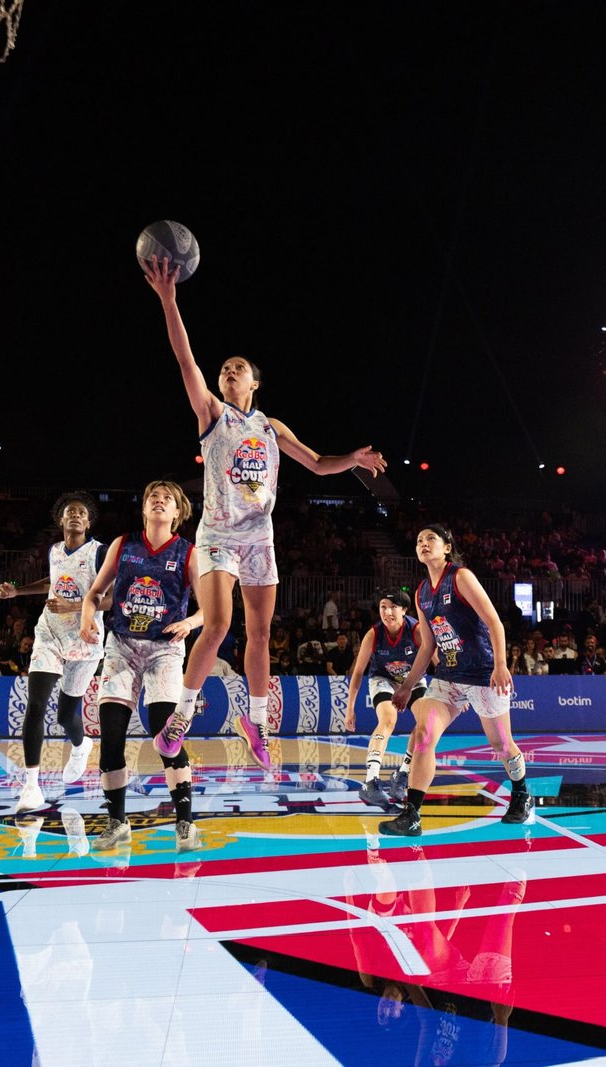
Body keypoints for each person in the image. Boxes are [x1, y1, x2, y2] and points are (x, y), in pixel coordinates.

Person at [142, 255, 387, 773]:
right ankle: (181, 718)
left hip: (260, 538)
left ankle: (255, 721)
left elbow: (319, 464)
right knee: (216, 624)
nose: (228, 371)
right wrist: (169, 301)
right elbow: (186, 360)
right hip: (217, 536)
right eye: (224, 369)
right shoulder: (213, 414)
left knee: (258, 634)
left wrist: (356, 461)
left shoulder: (271, 427)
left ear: (254, 382)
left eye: (238, 369)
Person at [79, 479, 206, 856]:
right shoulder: (123, 544)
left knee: (165, 735)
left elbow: (207, 610)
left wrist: (189, 623)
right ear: (144, 507)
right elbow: (95, 594)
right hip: (121, 646)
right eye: (153, 496)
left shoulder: (188, 552)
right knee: (111, 738)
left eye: (167, 498)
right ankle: (117, 822)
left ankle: (185, 821)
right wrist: (88, 617)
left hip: (165, 650)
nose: (159, 501)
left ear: (178, 513)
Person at [379, 525, 528, 836]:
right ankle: (412, 815)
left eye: (430, 538)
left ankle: (521, 795)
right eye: (418, 540)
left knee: (501, 744)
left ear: (446, 547)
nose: (423, 543)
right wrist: (407, 686)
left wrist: (500, 665)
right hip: (448, 677)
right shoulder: (421, 593)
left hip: (481, 674)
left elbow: (494, 622)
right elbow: (429, 645)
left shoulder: (460, 577)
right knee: (424, 735)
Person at [0, 492, 105, 813]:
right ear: (61, 521)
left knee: (64, 716)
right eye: (70, 512)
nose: (75, 515)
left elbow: (111, 599)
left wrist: (74, 605)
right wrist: (19, 590)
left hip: (85, 638)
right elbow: (54, 582)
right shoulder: (55, 550)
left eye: (81, 513)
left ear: (88, 522)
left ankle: (81, 744)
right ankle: (31, 786)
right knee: (36, 703)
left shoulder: (99, 553)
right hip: (50, 633)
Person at [342, 587, 426, 807]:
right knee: (388, 720)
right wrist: (350, 708)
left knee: (426, 723)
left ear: (405, 610)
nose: (387, 612)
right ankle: (370, 782)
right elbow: (358, 672)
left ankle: (403, 774)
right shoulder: (374, 634)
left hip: (413, 678)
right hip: (383, 678)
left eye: (393, 608)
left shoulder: (416, 630)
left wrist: (455, 688)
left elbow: (438, 660)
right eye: (383, 607)